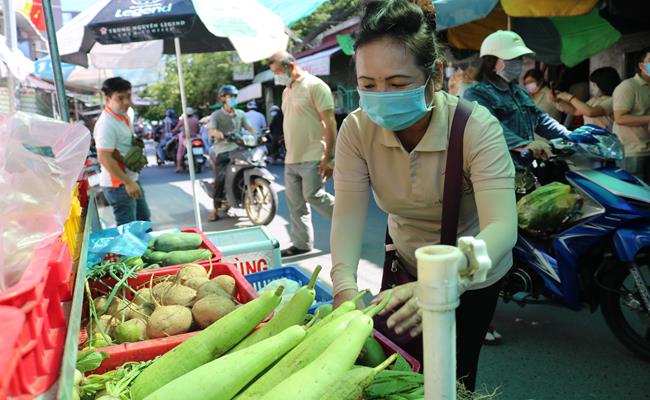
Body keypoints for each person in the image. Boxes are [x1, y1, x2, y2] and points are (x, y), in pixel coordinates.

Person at [330, 0, 517, 391]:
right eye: (368, 85)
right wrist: (344, 284)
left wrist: (448, 279)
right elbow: (347, 215)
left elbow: (501, 227)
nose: (381, 95)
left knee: (456, 375)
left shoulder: (474, 127)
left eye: (397, 84)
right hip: (404, 267)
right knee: (399, 373)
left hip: (472, 273)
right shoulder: (356, 130)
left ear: (434, 75)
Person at [268, 51, 337, 257]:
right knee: (296, 205)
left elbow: (330, 122)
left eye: (278, 71)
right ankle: (301, 243)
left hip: (313, 154)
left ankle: (348, 221)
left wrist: (330, 156)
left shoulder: (315, 86)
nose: (277, 76)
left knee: (314, 195)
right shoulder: (286, 91)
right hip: (291, 158)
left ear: (290, 65)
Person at [464, 30, 570, 162]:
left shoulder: (520, 92)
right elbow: (489, 126)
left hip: (526, 169)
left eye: (519, 58)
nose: (518, 63)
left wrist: (571, 137)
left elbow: (541, 120)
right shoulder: (475, 93)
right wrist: (524, 145)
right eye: (512, 59)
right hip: (496, 170)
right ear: (491, 61)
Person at [95, 77, 151, 226]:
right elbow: (104, 158)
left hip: (130, 180)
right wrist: (128, 182)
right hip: (119, 186)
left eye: (128, 96)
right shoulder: (106, 124)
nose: (126, 102)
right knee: (130, 231)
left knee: (144, 222)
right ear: (108, 99)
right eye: (120, 98)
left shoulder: (124, 114)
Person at [206, 84, 257, 221]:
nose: (233, 99)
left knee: (255, 164)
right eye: (230, 96)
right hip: (223, 149)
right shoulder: (216, 115)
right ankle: (215, 209)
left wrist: (258, 134)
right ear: (223, 98)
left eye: (235, 96)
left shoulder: (240, 114)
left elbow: (250, 128)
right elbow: (211, 130)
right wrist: (220, 134)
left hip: (240, 148)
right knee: (220, 178)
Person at [612, 47, 650, 182]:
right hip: (632, 151)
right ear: (641, 66)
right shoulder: (628, 86)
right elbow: (620, 118)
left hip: (647, 148)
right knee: (636, 196)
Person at [554, 67, 621, 130]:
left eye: (595, 84)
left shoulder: (612, 100)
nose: (593, 87)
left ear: (603, 84)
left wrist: (569, 97)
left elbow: (590, 112)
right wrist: (558, 101)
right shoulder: (595, 99)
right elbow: (575, 111)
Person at [172, 107, 200, 173]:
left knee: (180, 151)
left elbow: (176, 128)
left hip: (186, 139)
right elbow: (198, 130)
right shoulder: (196, 120)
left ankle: (178, 166)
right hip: (195, 137)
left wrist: (173, 130)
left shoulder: (183, 120)